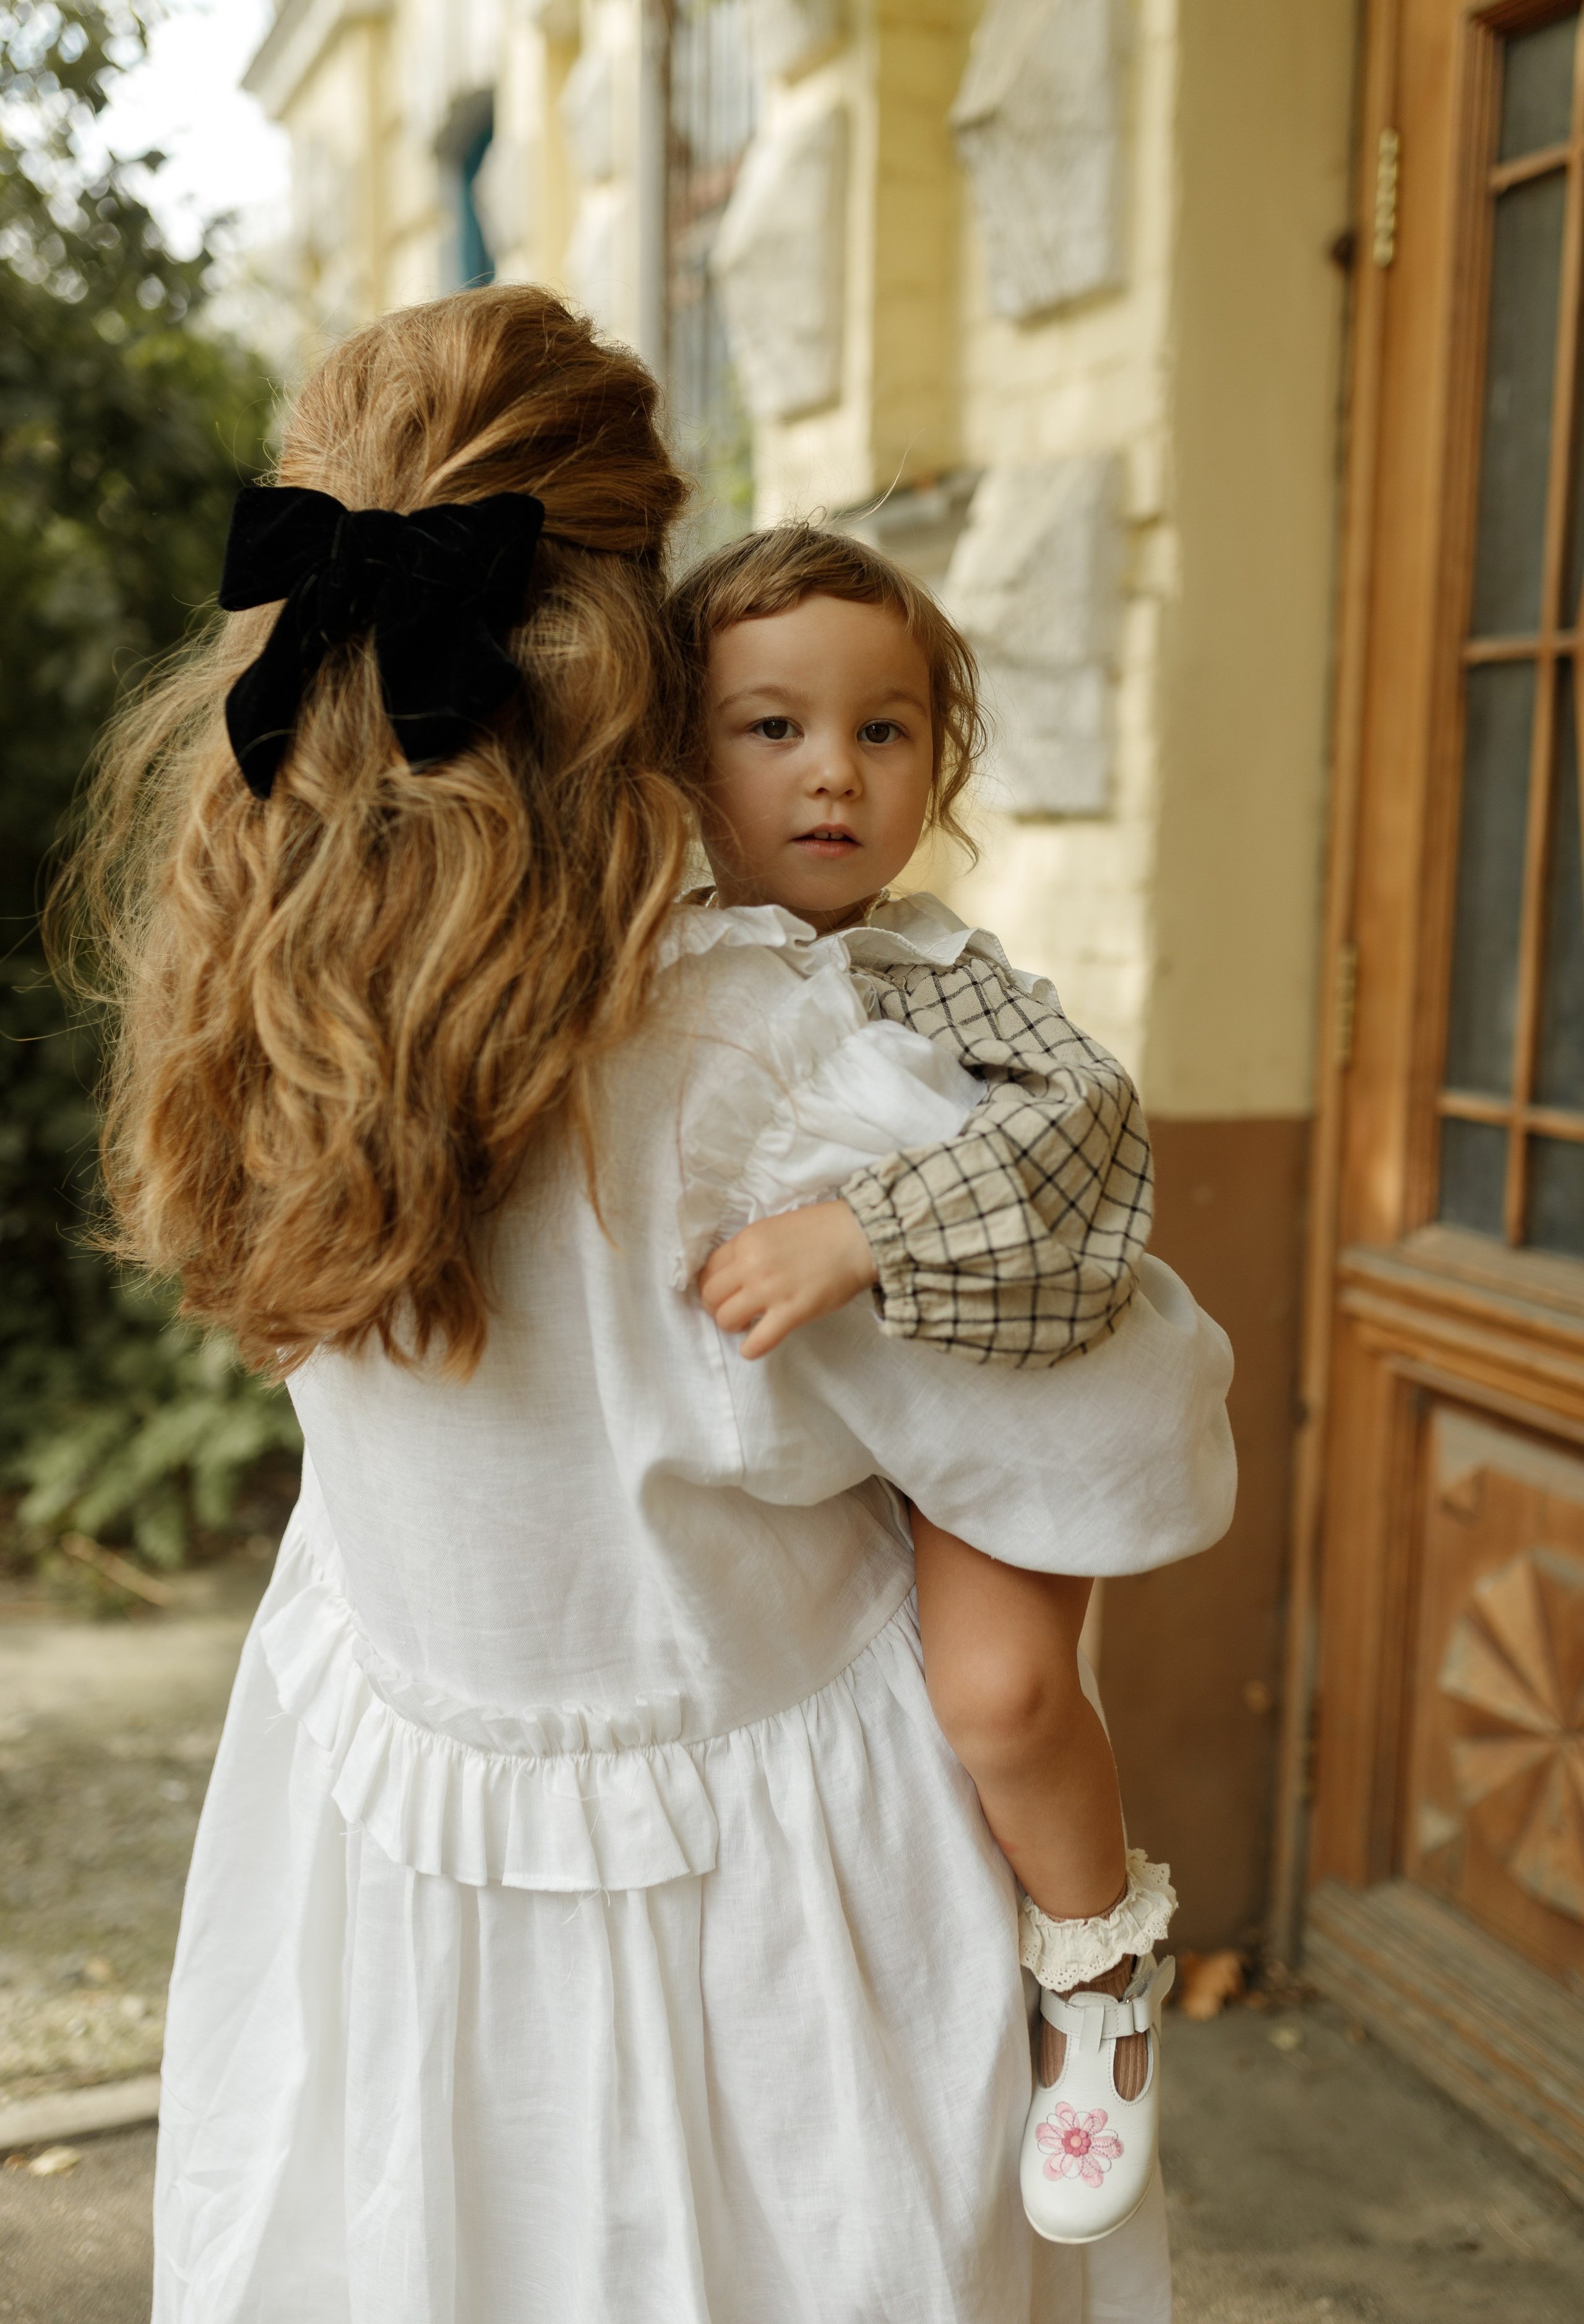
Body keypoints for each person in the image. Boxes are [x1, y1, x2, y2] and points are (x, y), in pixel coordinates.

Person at [59, 284, 1234, 2324]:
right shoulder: (762, 1049)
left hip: (389, 1857)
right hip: (774, 1915)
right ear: (625, 631)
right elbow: (1113, 1438)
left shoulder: (251, 986)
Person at [669, 525, 1177, 2239]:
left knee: (1003, 1702)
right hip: (816, 1457)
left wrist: (863, 1228)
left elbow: (1091, 1130)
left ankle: (1101, 1979)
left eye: (884, 733)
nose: (834, 774)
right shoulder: (649, 965)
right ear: (676, 748)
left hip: (1013, 1390)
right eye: (773, 728)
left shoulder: (940, 973)